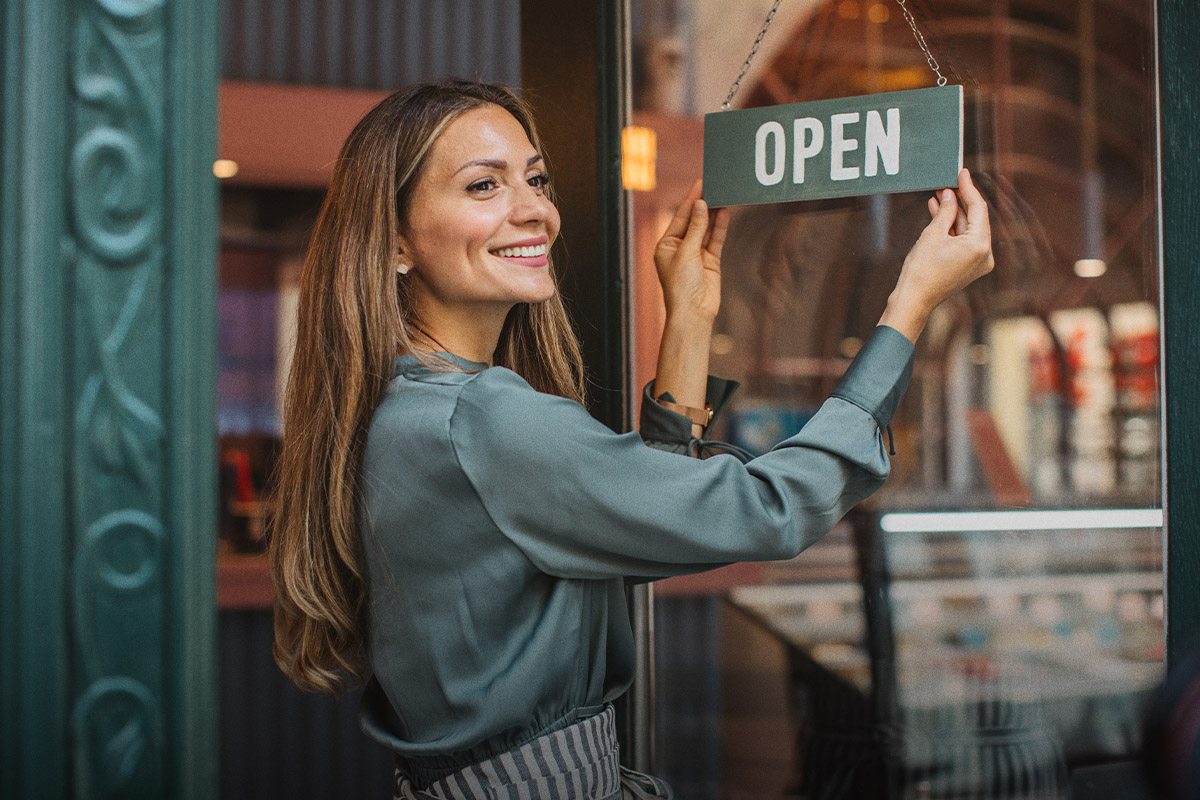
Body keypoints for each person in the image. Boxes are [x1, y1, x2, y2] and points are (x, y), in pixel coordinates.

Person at [268, 80, 993, 800]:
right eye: (484, 185)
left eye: (536, 179)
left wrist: (689, 319)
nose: (535, 211)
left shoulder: (406, 406)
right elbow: (770, 508)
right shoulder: (484, 419)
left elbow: (643, 518)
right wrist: (910, 305)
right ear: (395, 240)